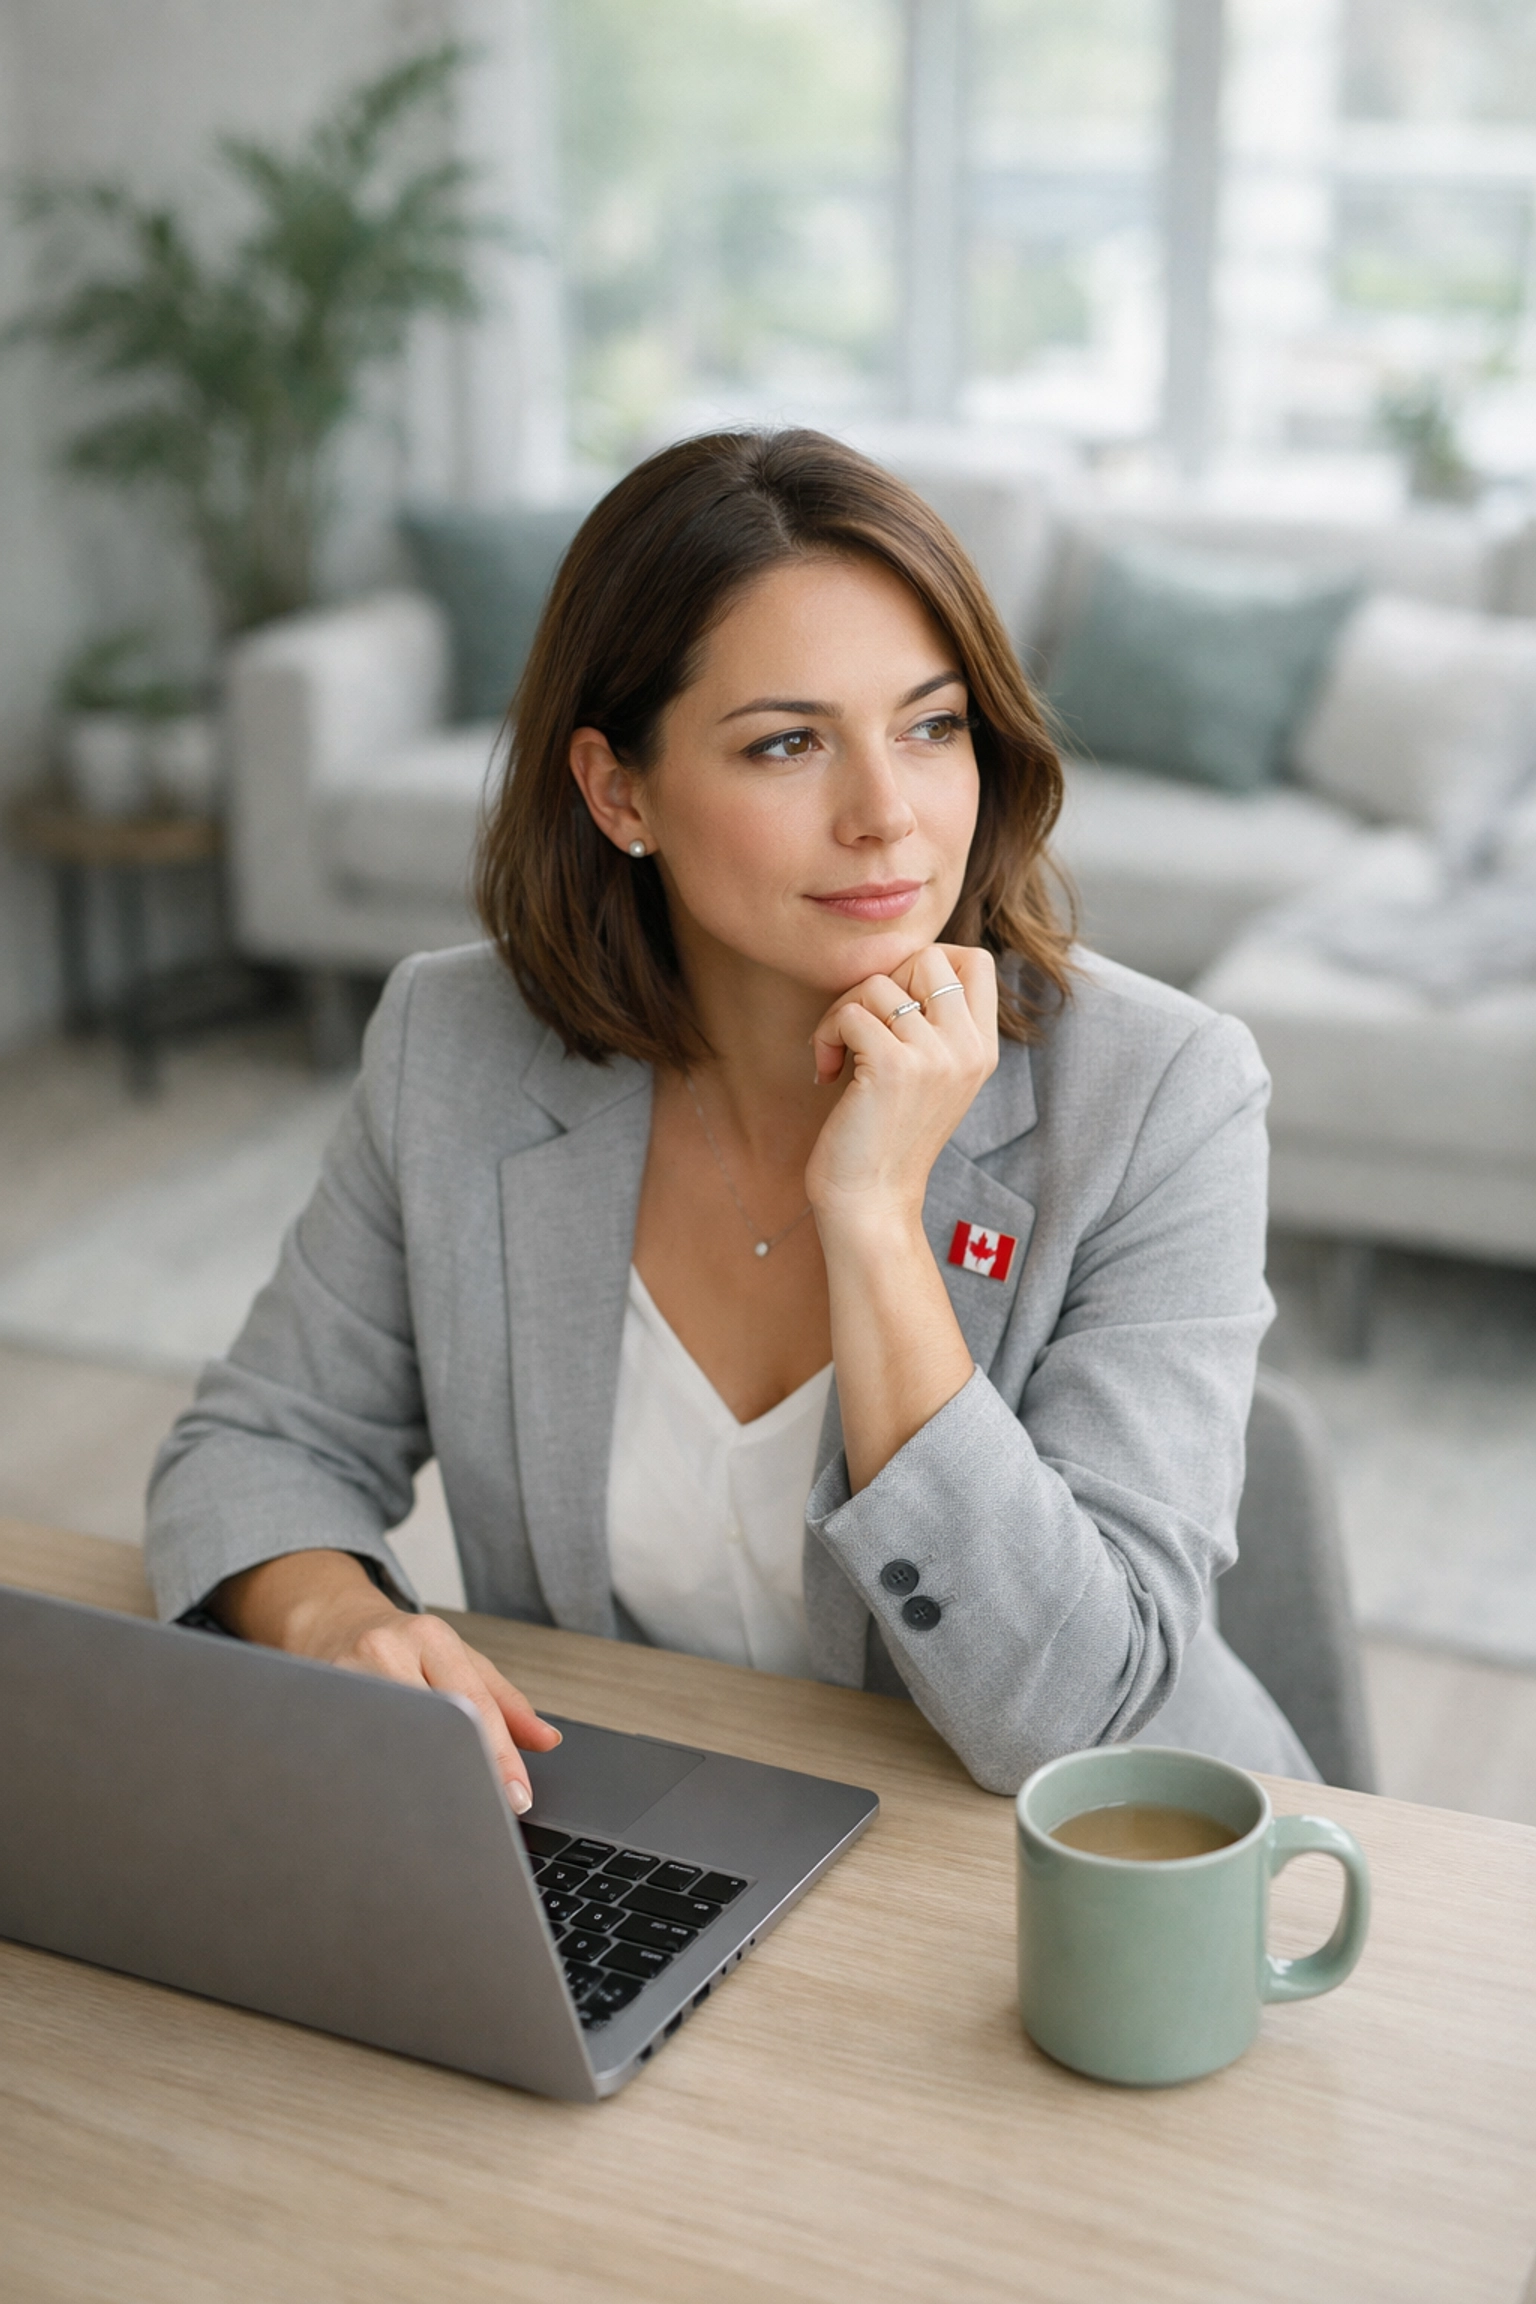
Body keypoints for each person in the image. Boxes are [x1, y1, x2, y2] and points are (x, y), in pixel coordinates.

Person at [146, 428, 1315, 1807]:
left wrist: (877, 1221)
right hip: (655, 1832)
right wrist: (336, 1622)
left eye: (933, 726)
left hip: (1097, 1882)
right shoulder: (452, 1049)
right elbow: (254, 1448)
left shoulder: (1161, 1095)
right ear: (617, 790)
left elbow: (1069, 1716)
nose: (888, 816)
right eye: (786, 744)